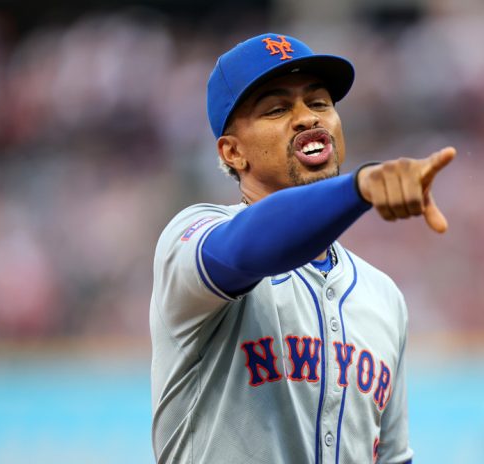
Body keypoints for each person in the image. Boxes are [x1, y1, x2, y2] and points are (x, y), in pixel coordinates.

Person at [150, 32, 455, 463]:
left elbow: (390, 457)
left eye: (319, 103)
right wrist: (360, 187)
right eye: (277, 109)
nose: (306, 118)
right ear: (233, 153)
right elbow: (248, 248)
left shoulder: (383, 296)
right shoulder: (194, 235)